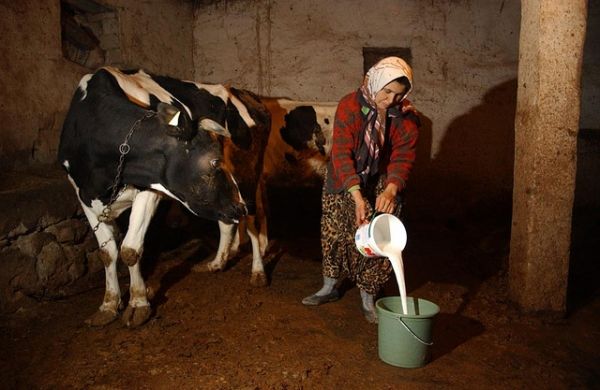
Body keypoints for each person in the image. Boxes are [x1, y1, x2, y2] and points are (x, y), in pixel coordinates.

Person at [302, 56, 420, 323]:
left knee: (380, 233)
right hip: (344, 176)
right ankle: (329, 286)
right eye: (387, 91)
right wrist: (356, 196)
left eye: (398, 94)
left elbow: (403, 157)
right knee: (335, 230)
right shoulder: (350, 106)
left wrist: (390, 191)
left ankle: (369, 295)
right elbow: (341, 153)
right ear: (373, 81)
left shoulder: (406, 116)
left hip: (382, 177)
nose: (390, 99)